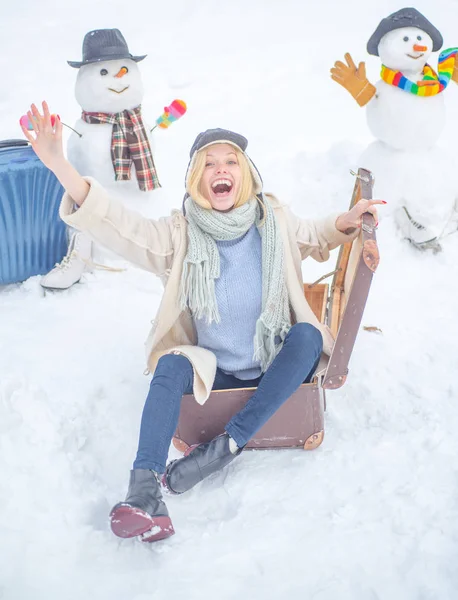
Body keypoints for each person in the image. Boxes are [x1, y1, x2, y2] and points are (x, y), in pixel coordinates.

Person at [21, 102, 383, 544]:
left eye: (230, 161)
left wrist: (346, 221)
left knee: (308, 335)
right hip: (219, 368)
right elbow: (120, 225)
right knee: (170, 365)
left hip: (275, 361)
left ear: (245, 172)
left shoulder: (274, 221)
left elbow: (315, 233)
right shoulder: (179, 235)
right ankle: (144, 490)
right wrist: (60, 165)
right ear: (197, 179)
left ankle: (226, 447)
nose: (221, 169)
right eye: (209, 164)